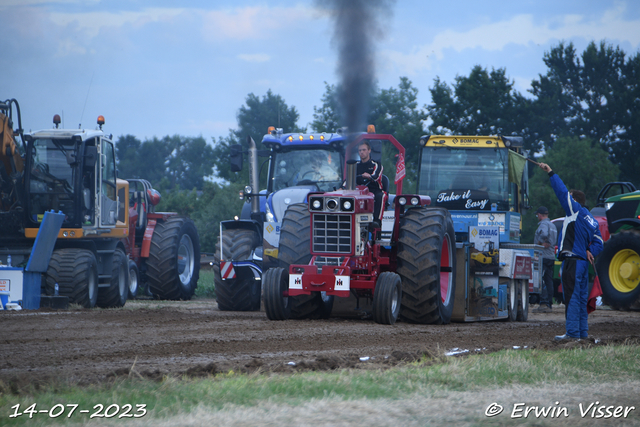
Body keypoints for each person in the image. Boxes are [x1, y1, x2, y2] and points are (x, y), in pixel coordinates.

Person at [538, 162, 603, 341]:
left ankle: (572, 333)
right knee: (581, 299)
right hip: (583, 264)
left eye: (571, 198)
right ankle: (582, 333)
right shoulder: (592, 219)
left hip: (572, 262)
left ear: (574, 200)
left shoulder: (574, 210)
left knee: (572, 298)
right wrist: (591, 250)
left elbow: (561, 191)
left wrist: (551, 173)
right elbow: (600, 242)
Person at [533, 206, 557, 313]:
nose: (537, 216)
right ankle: (549, 304)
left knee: (541, 280)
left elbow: (543, 234)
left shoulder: (544, 224)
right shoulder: (553, 225)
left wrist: (540, 244)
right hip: (551, 256)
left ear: (540, 215)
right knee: (549, 281)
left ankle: (543, 304)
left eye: (537, 214)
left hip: (543, 256)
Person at [356, 141, 386, 228]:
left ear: (369, 151)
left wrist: (369, 176)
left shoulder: (376, 164)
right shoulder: (355, 165)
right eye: (360, 150)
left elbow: (376, 176)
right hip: (359, 191)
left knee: (381, 196)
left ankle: (377, 221)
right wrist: (342, 187)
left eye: (364, 150)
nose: (361, 152)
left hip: (373, 190)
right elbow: (349, 178)